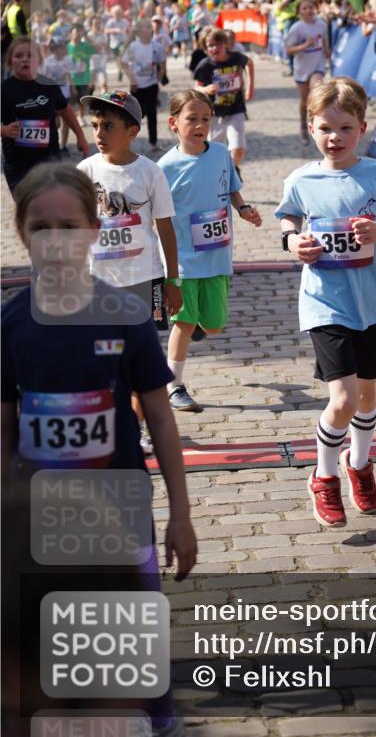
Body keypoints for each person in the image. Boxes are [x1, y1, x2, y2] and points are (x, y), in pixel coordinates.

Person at [1, 161, 197, 734]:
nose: (56, 242)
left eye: (69, 226)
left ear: (93, 231)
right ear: (22, 234)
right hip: (37, 517)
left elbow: (159, 418)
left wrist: (180, 515)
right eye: (42, 228)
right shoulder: (11, 326)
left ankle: (155, 722)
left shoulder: (128, 317)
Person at [276, 77, 376, 528]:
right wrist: (294, 241)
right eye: (325, 128)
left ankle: (360, 464)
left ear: (363, 129)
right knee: (344, 398)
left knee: (368, 396)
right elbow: (288, 222)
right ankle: (325, 476)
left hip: (370, 301)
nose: (335, 137)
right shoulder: (301, 179)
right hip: (324, 301)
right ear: (310, 127)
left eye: (345, 128)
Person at [77, 90, 183, 454]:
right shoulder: (85, 172)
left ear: (133, 130)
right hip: (99, 285)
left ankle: (137, 428)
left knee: (141, 361)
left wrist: (172, 280)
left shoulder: (149, 172)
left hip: (145, 281)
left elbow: (166, 230)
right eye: (95, 126)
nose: (99, 133)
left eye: (108, 125)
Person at [158, 90, 262, 413]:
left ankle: (194, 328)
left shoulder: (220, 154)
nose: (201, 125)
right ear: (173, 123)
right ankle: (174, 386)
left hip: (217, 255)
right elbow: (156, 215)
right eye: (192, 119)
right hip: (184, 261)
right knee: (184, 323)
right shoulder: (165, 167)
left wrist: (244, 209)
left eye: (206, 118)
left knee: (213, 324)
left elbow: (232, 188)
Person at [1, 37, 89, 193]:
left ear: (40, 60)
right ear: (9, 61)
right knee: (29, 204)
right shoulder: (5, 89)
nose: (24, 60)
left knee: (50, 201)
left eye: (30, 55)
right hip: (18, 163)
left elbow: (65, 110)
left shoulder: (49, 85)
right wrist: (4, 130)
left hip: (49, 159)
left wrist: (80, 137)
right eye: (18, 56)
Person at [192, 28, 254, 175]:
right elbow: (196, 87)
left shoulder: (236, 57)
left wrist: (250, 87)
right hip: (214, 113)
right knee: (216, 150)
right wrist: (206, 89)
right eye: (210, 46)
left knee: (238, 147)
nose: (214, 48)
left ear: (226, 44)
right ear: (206, 48)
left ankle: (232, 170)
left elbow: (249, 63)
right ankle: (223, 174)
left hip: (235, 109)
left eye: (218, 44)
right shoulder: (205, 65)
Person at [285, 0, 331, 145]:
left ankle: (321, 127)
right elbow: (289, 49)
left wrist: (326, 50)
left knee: (318, 90)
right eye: (304, 8)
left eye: (311, 7)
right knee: (305, 102)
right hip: (302, 69)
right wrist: (305, 45)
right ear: (299, 11)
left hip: (317, 66)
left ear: (315, 8)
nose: (308, 10)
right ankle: (303, 127)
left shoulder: (321, 24)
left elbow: (324, 41)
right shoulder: (297, 27)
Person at [121, 18, 166, 151]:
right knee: (135, 114)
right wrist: (132, 80)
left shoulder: (156, 46)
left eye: (149, 28)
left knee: (152, 113)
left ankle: (153, 142)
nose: (148, 30)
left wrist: (161, 73)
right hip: (137, 86)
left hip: (152, 85)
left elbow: (162, 62)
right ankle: (127, 140)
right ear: (139, 32)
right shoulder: (133, 46)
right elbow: (124, 64)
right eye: (144, 28)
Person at [68, 22, 97, 125]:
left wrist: (87, 37)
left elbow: (98, 48)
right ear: (71, 33)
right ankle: (71, 118)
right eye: (76, 32)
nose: (78, 35)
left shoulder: (86, 46)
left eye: (81, 32)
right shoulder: (67, 47)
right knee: (70, 102)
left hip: (83, 78)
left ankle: (80, 117)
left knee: (81, 100)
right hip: (70, 80)